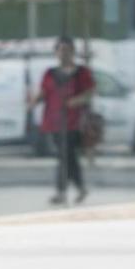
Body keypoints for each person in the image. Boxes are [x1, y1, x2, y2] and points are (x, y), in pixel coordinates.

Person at [27, 36, 95, 205]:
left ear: (73, 51)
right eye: (61, 50)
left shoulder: (81, 72)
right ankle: (79, 188)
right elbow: (43, 93)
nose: (64, 53)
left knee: (65, 156)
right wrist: (32, 103)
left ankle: (62, 191)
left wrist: (75, 101)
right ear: (56, 52)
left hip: (74, 121)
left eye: (67, 50)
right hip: (54, 122)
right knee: (67, 156)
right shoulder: (50, 73)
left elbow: (90, 92)